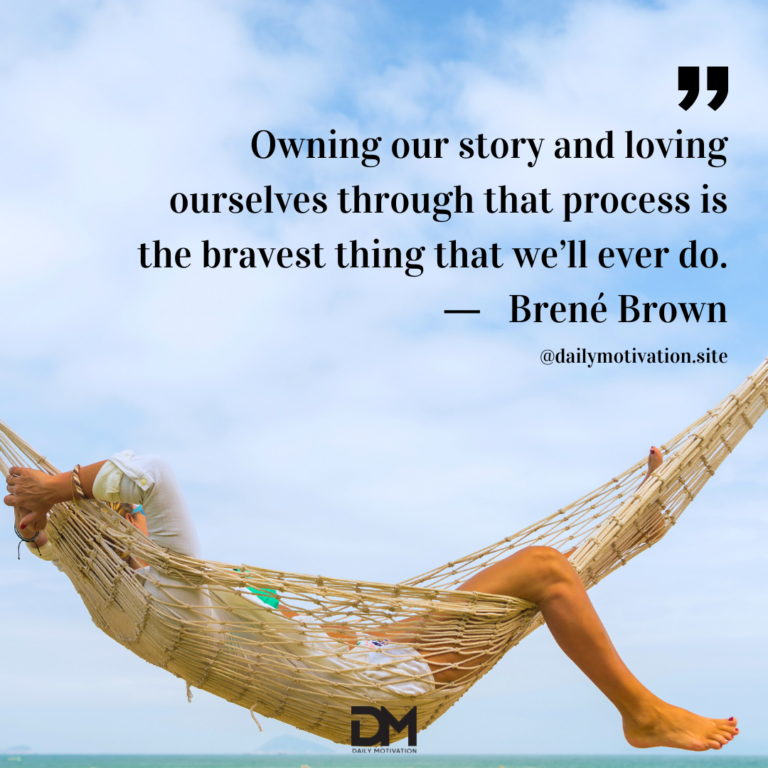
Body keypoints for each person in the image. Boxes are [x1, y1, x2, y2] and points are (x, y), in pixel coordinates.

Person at [5, 446, 739, 751]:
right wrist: (54, 489)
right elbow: (148, 473)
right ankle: (640, 715)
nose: (125, 512)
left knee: (543, 580)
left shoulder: (126, 604)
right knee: (546, 574)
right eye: (107, 509)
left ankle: (640, 521)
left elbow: (137, 524)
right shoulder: (164, 579)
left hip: (366, 672)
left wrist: (63, 511)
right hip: (375, 687)